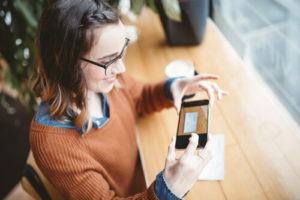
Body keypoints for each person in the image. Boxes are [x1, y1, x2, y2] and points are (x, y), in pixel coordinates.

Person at [30, 0, 228, 199]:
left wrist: (172, 88)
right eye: (108, 60)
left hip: (143, 169)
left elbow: (139, 98)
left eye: (122, 52)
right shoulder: (53, 145)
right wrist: (168, 191)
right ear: (65, 62)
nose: (121, 69)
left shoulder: (103, 80)